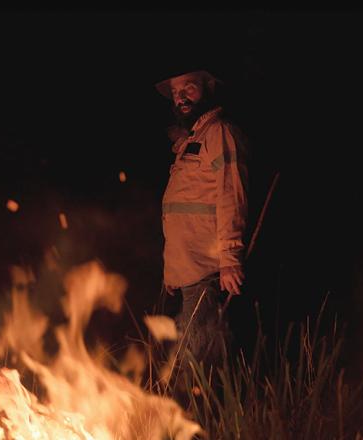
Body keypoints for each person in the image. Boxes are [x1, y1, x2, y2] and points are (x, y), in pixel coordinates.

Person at [155, 69, 249, 400]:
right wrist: (173, 270)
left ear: (207, 89)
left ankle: (199, 427)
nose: (180, 96)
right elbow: (185, 212)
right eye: (176, 91)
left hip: (208, 273)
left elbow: (230, 196)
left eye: (189, 88)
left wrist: (230, 259)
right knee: (189, 361)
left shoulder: (219, 133)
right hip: (187, 274)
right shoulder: (191, 141)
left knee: (195, 369)